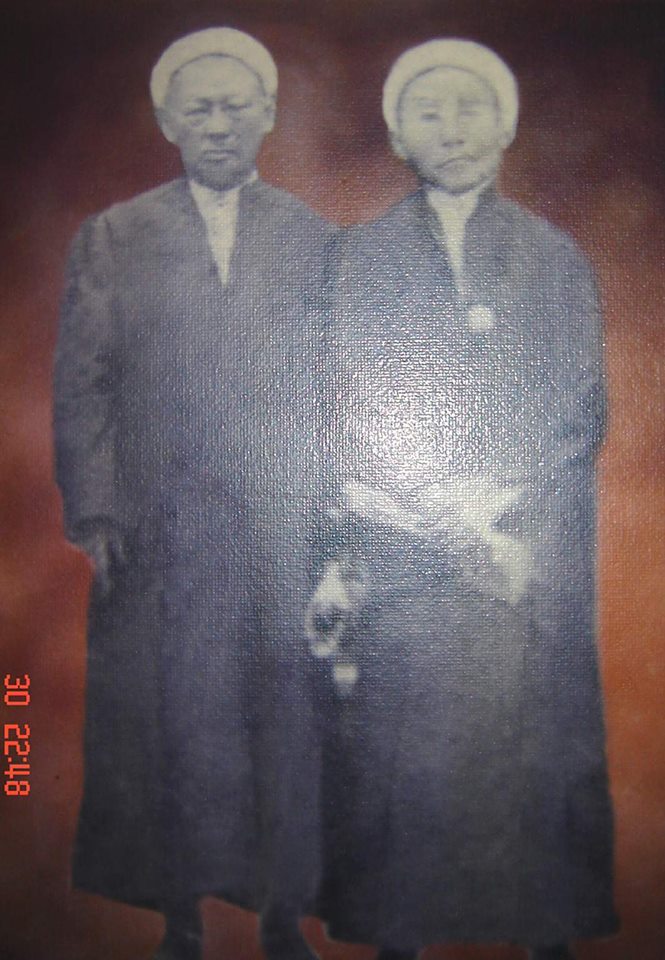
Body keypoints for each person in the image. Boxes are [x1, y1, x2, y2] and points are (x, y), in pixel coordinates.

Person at [309, 38, 617, 960]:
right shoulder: (355, 259)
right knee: (404, 743)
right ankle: (399, 935)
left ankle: (541, 937)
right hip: (400, 544)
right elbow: (337, 399)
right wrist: (415, 503)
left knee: (526, 741)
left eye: (471, 109)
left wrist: (493, 500)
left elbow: (575, 404)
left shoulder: (552, 259)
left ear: (506, 126)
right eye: (429, 113)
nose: (452, 129)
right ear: (398, 137)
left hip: (521, 542)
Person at [54, 27, 332, 960]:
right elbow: (84, 385)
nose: (217, 125)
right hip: (158, 532)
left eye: (234, 107)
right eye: (198, 109)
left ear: (267, 115)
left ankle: (282, 916)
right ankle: (179, 919)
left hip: (277, 531)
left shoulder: (314, 241)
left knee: (281, 721)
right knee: (164, 720)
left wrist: (330, 530)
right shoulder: (115, 237)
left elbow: (338, 393)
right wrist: (97, 512)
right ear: (168, 122)